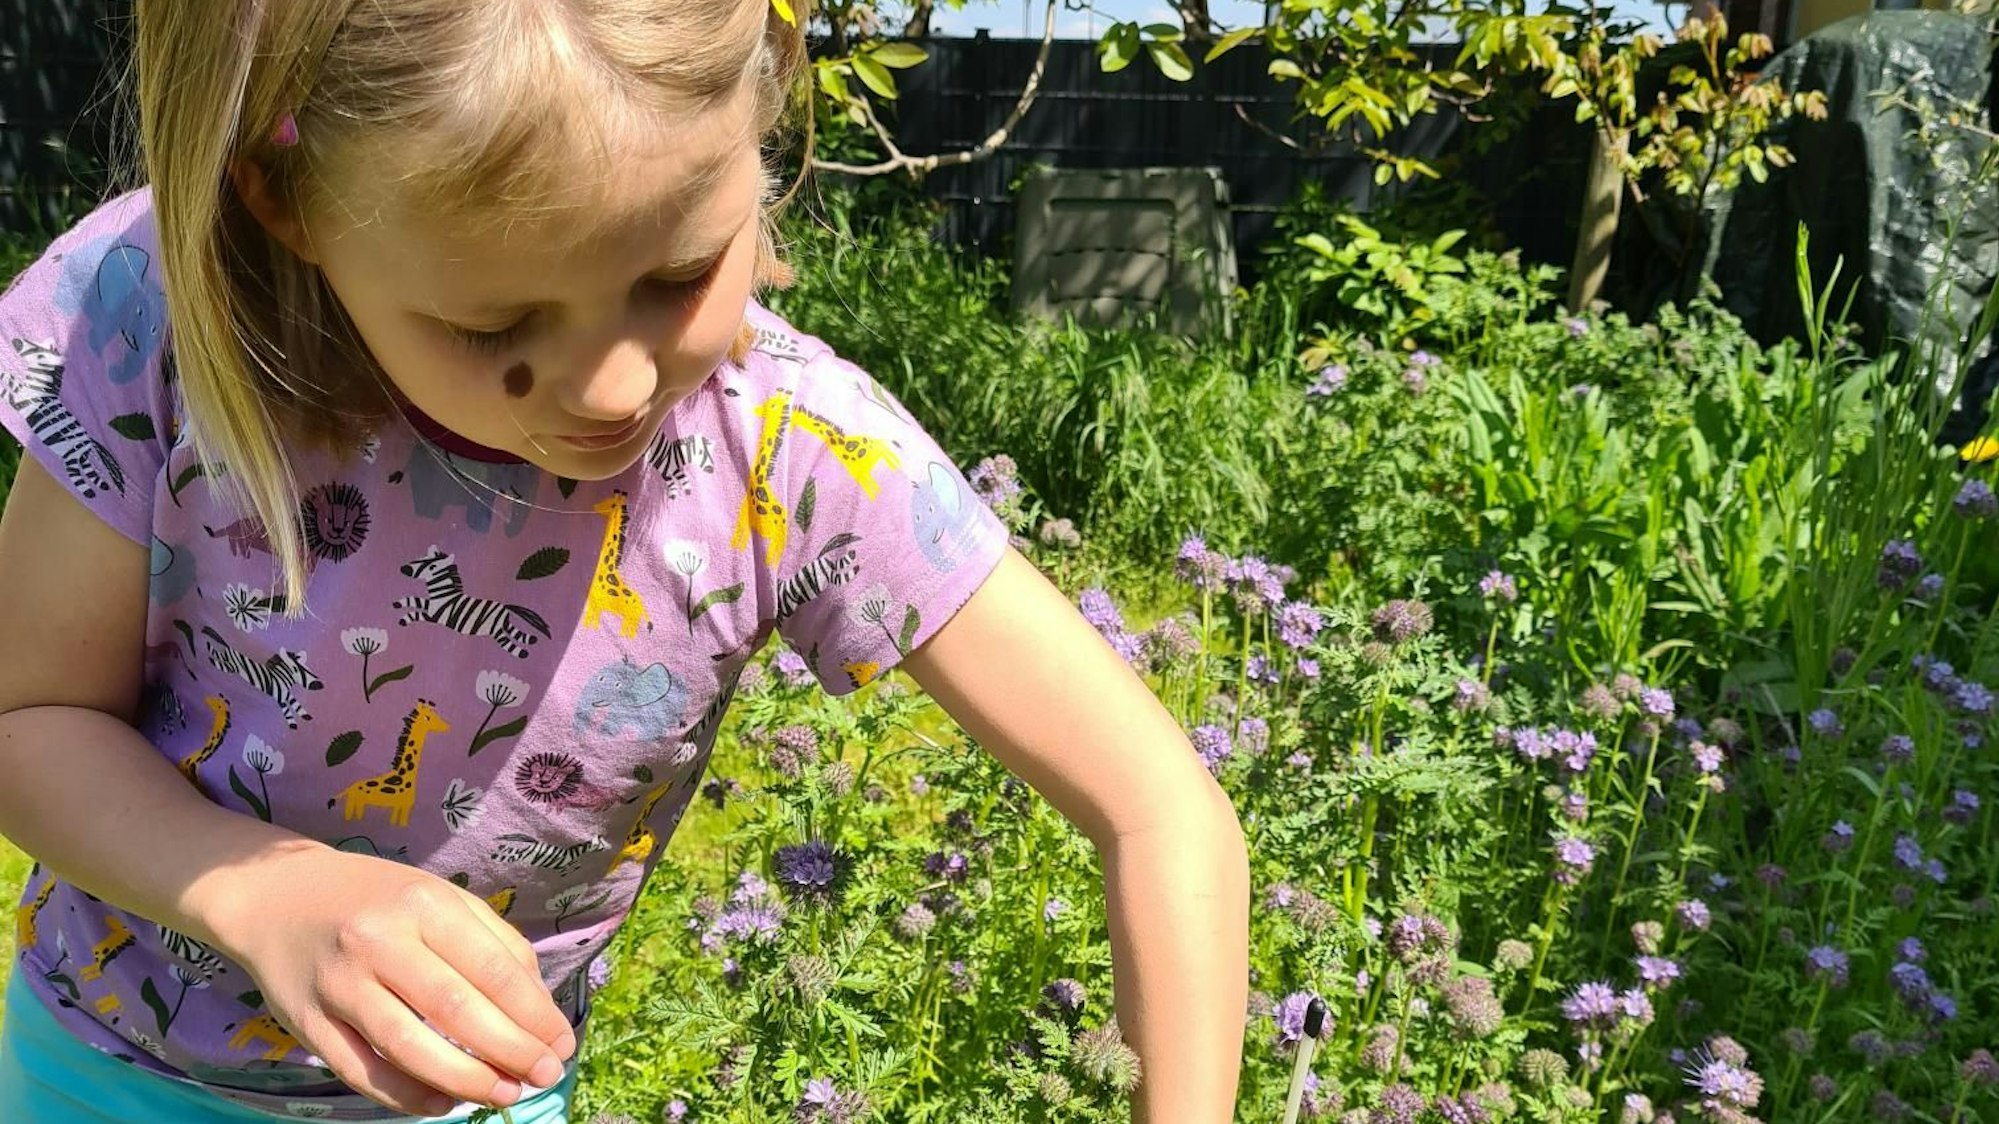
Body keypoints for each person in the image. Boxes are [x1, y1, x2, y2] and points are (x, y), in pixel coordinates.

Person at [0, 1, 1249, 1121]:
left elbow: (1158, 806)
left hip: (474, 1100)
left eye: (676, 274)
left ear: (767, 94)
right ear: (290, 202)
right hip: (100, 1074)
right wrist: (257, 892)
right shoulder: (163, 321)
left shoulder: (788, 450)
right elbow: (29, 716)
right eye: (493, 325)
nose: (614, 386)